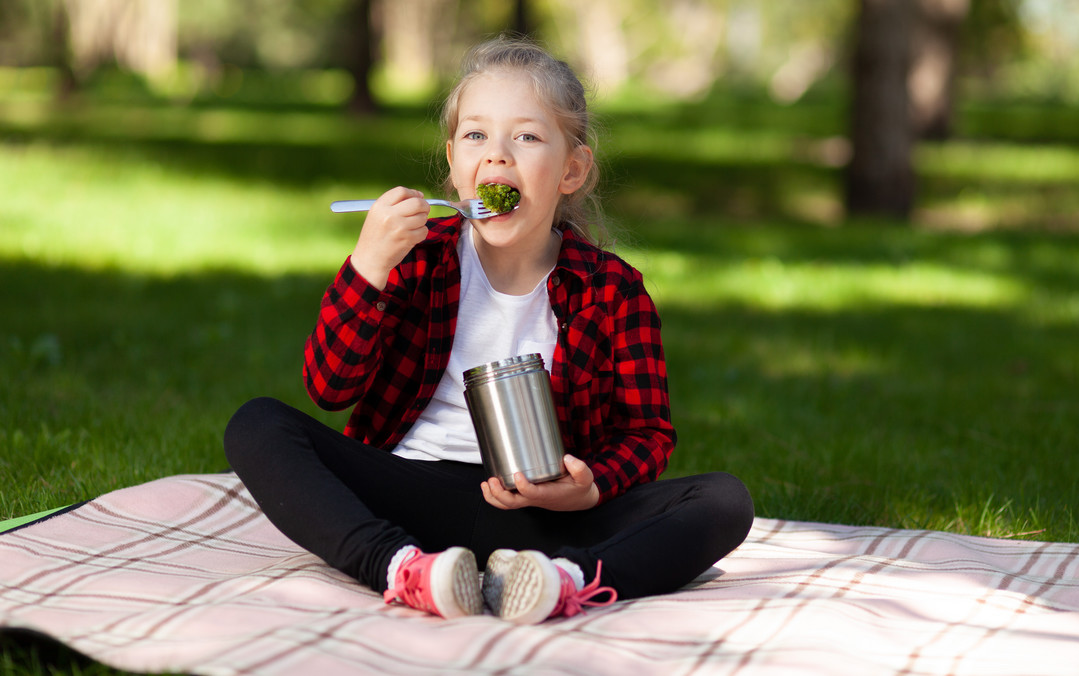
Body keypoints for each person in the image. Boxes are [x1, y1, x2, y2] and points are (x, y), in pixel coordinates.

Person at [223, 36, 754, 625]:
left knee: (723, 500)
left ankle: (561, 583)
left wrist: (588, 487)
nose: (497, 156)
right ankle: (401, 568)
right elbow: (329, 388)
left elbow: (647, 433)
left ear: (571, 170)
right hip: (410, 496)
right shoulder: (414, 262)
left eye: (526, 137)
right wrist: (367, 268)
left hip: (544, 516)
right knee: (258, 425)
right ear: (453, 163)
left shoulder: (613, 290)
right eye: (476, 136)